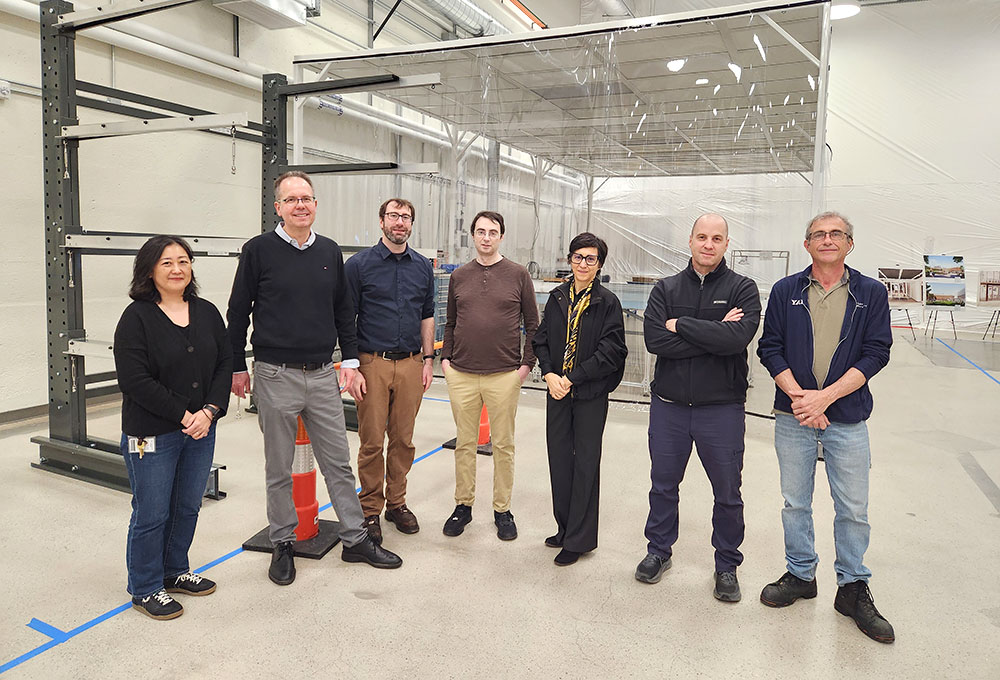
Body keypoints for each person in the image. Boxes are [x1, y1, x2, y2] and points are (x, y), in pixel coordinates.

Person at [227, 170, 402, 586]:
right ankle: (283, 542)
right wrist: (236, 365)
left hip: (324, 373)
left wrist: (352, 361)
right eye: (291, 200)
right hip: (274, 374)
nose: (300, 205)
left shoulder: (328, 251)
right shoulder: (258, 251)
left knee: (337, 463)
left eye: (306, 198)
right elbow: (237, 313)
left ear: (315, 205)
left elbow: (344, 310)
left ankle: (355, 539)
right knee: (279, 467)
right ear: (277, 208)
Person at [757, 211, 894, 643]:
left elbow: (877, 352)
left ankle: (852, 587)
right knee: (795, 502)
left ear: (850, 244)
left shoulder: (871, 292)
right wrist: (803, 399)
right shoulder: (785, 291)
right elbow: (770, 347)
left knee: (853, 508)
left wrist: (826, 397)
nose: (828, 239)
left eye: (837, 234)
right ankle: (801, 574)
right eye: (819, 234)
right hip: (794, 416)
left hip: (847, 418)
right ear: (807, 244)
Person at [634, 213, 761, 603]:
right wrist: (713, 331)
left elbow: (737, 339)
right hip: (669, 406)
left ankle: (726, 564)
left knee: (727, 492)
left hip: (721, 409)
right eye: (702, 237)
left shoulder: (743, 288)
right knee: (663, 485)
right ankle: (658, 551)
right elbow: (656, 341)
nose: (709, 244)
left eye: (717, 238)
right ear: (690, 241)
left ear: (726, 244)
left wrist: (681, 325)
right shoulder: (666, 288)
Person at [114, 235, 232, 620]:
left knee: (186, 506)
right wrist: (186, 416)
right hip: (153, 433)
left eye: (184, 260)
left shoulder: (207, 312)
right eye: (167, 262)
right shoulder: (136, 319)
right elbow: (135, 380)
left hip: (202, 428)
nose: (177, 268)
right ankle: (146, 587)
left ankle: (174, 570)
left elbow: (223, 365)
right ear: (149, 270)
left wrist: (210, 412)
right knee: (151, 511)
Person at [440, 210, 539, 541]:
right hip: (462, 374)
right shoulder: (460, 276)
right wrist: (446, 360)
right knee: (464, 444)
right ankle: (463, 506)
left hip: (504, 375)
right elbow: (451, 322)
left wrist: (525, 366)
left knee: (504, 445)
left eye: (492, 232)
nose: (486, 237)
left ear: (501, 236)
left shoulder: (518, 275)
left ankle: (502, 509)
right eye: (480, 231)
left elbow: (533, 324)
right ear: (473, 236)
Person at [532, 232, 627, 566]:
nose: (583, 264)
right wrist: (549, 375)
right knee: (560, 460)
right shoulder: (558, 297)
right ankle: (564, 527)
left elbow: (611, 351)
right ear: (569, 259)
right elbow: (540, 340)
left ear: (599, 264)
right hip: (557, 390)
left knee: (585, 463)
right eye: (577, 257)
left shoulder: (607, 303)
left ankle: (579, 539)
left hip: (588, 393)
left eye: (590, 259)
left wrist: (572, 378)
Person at [345, 198, 435, 544]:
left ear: (411, 224)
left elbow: (427, 315)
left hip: (412, 363)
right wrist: (353, 366)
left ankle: (396, 503)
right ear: (381, 221)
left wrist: (428, 360)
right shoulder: (359, 266)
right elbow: (346, 319)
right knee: (371, 442)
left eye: (406, 217)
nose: (400, 222)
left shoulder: (422, 267)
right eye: (394, 216)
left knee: (404, 440)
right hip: (373, 363)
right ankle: (369, 509)